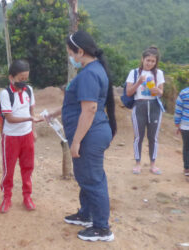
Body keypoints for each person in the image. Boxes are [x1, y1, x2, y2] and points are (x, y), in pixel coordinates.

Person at [46, 31, 116, 241]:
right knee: (86, 177)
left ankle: (102, 228)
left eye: (70, 53)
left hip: (89, 135)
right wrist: (53, 114)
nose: (70, 57)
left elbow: (89, 109)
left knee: (93, 180)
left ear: (80, 51)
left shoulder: (88, 74)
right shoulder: (92, 70)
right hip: (92, 133)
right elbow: (75, 103)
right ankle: (86, 214)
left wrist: (75, 141)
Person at [0, 59, 43, 213]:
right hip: (11, 137)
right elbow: (9, 118)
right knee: (8, 169)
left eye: (26, 79)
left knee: (28, 168)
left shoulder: (29, 90)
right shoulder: (5, 94)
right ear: (11, 78)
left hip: (26, 136)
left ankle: (27, 197)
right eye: (20, 79)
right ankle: (7, 197)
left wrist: (33, 130)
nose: (23, 82)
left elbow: (31, 111)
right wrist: (30, 119)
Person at [125, 47, 165, 175]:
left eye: (153, 61)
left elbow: (160, 92)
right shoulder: (134, 72)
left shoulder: (158, 73)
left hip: (154, 107)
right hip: (139, 105)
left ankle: (153, 164)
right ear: (142, 59)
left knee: (153, 137)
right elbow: (128, 92)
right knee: (138, 136)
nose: (150, 63)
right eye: (148, 60)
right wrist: (139, 82)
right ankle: (137, 163)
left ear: (156, 62)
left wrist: (155, 89)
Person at [174, 87, 189, 177]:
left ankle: (187, 169)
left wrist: (177, 123)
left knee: (186, 147)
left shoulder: (183, 92)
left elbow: (178, 109)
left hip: (185, 125)